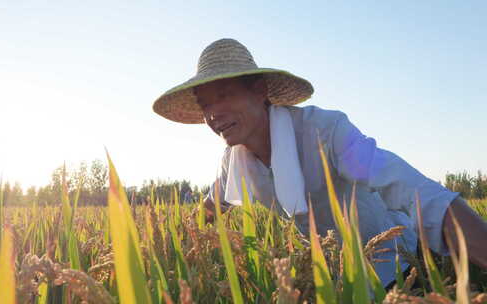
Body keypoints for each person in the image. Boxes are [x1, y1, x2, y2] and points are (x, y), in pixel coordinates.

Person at [152, 38, 487, 288]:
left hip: (394, 260)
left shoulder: (325, 132)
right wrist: (168, 254)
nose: (212, 115)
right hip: (328, 273)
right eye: (205, 104)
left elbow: (410, 188)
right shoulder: (233, 160)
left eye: (223, 95)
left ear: (259, 90)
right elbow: (211, 209)